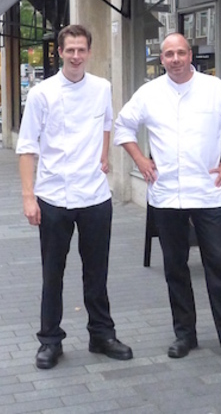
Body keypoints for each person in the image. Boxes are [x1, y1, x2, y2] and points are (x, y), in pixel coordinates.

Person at [114, 32, 221, 370]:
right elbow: (122, 127)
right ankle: (185, 334)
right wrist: (141, 162)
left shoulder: (214, 89)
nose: (175, 59)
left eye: (180, 53)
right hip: (165, 195)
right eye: (168, 54)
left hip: (207, 192)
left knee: (218, 267)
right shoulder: (149, 93)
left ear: (191, 55)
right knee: (175, 268)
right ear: (161, 59)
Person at [17, 23, 132, 370]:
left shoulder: (102, 88)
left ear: (89, 52)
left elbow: (107, 124)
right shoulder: (42, 93)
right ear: (60, 52)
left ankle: (101, 334)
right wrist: (28, 196)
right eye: (71, 50)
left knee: (97, 271)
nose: (77, 56)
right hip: (53, 195)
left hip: (95, 196)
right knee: (53, 272)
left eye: (82, 50)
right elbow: (26, 147)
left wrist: (104, 156)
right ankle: (50, 339)